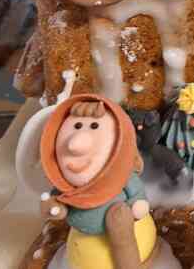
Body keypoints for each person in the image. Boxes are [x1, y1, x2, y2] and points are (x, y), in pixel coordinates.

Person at [39, 94, 157, 269]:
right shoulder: (67, 187)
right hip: (80, 247)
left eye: (94, 126)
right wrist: (55, 208)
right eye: (77, 126)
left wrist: (137, 205)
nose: (74, 145)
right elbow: (59, 201)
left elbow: (136, 193)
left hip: (121, 226)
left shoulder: (122, 177)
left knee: (120, 227)